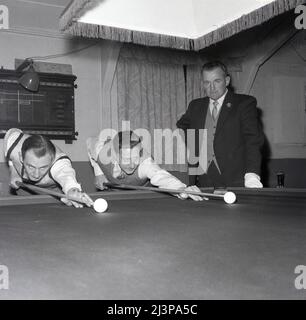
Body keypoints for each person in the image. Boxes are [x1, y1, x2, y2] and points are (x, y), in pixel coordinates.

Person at [177, 61, 264, 188]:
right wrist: (196, 145)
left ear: (227, 81)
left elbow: (253, 141)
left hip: (237, 181)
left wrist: (252, 175)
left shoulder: (244, 103)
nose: (212, 87)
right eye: (207, 82)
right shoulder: (195, 106)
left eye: (217, 81)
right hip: (203, 180)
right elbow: (182, 125)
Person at [87, 130, 203, 201]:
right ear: (115, 155)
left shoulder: (145, 163)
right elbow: (89, 143)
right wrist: (99, 173)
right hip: (112, 194)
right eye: (127, 159)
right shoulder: (102, 151)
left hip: (139, 197)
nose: (132, 165)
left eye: (136, 158)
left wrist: (182, 189)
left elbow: (161, 176)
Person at [4, 128, 93, 208]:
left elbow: (67, 176)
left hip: (53, 195)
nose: (36, 175)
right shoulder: (14, 144)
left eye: (43, 167)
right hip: (24, 190)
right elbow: (11, 133)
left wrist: (72, 190)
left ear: (51, 161)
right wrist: (14, 171)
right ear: (21, 157)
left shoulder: (59, 163)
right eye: (31, 166)